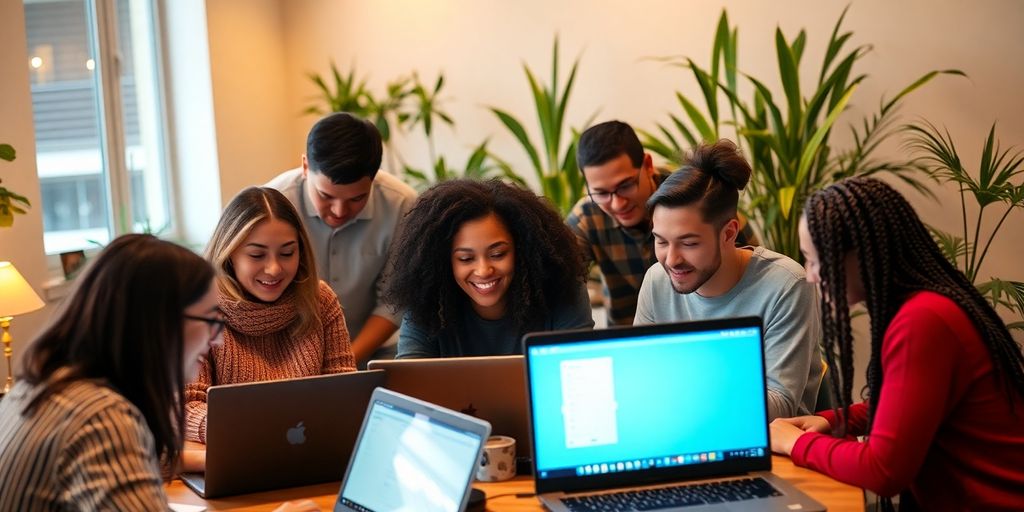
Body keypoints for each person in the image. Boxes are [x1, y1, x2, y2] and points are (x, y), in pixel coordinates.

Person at [0, 235, 315, 511]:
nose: (217, 338)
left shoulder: (44, 386)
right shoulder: (101, 418)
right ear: (159, 325)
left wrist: (202, 460)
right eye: (209, 320)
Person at [769, 177, 1024, 509]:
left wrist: (796, 444)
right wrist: (835, 420)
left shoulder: (923, 322)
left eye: (817, 260)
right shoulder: (924, 307)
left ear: (862, 255)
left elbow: (884, 470)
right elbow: (907, 411)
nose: (812, 275)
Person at [634, 139, 822, 421]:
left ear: (729, 233)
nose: (671, 259)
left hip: (771, 450)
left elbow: (778, 405)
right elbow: (641, 378)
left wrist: (672, 390)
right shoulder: (657, 281)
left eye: (689, 243)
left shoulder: (786, 285)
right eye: (661, 241)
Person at [185, 187, 355, 450]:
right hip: (236, 455)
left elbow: (344, 392)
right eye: (256, 255)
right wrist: (250, 429)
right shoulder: (198, 308)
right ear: (229, 253)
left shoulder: (320, 300)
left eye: (287, 253)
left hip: (312, 452)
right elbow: (185, 408)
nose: (274, 269)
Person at [567, 120, 758, 326]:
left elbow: (755, 274)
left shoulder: (696, 196)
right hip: (629, 342)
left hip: (708, 336)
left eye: (626, 185)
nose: (617, 203)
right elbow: (560, 275)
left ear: (647, 165)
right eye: (601, 193)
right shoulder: (587, 216)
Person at [266, 112, 417, 367]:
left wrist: (344, 363)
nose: (339, 211)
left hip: (376, 353)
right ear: (305, 167)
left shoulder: (403, 205)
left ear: (374, 176)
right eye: (325, 196)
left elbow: (394, 301)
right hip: (287, 354)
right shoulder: (273, 203)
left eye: (357, 199)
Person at [385, 179, 594, 358]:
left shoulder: (564, 290)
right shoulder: (426, 302)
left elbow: (578, 374)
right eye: (466, 259)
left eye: (498, 254)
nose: (483, 270)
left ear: (523, 250)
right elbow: (408, 381)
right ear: (442, 262)